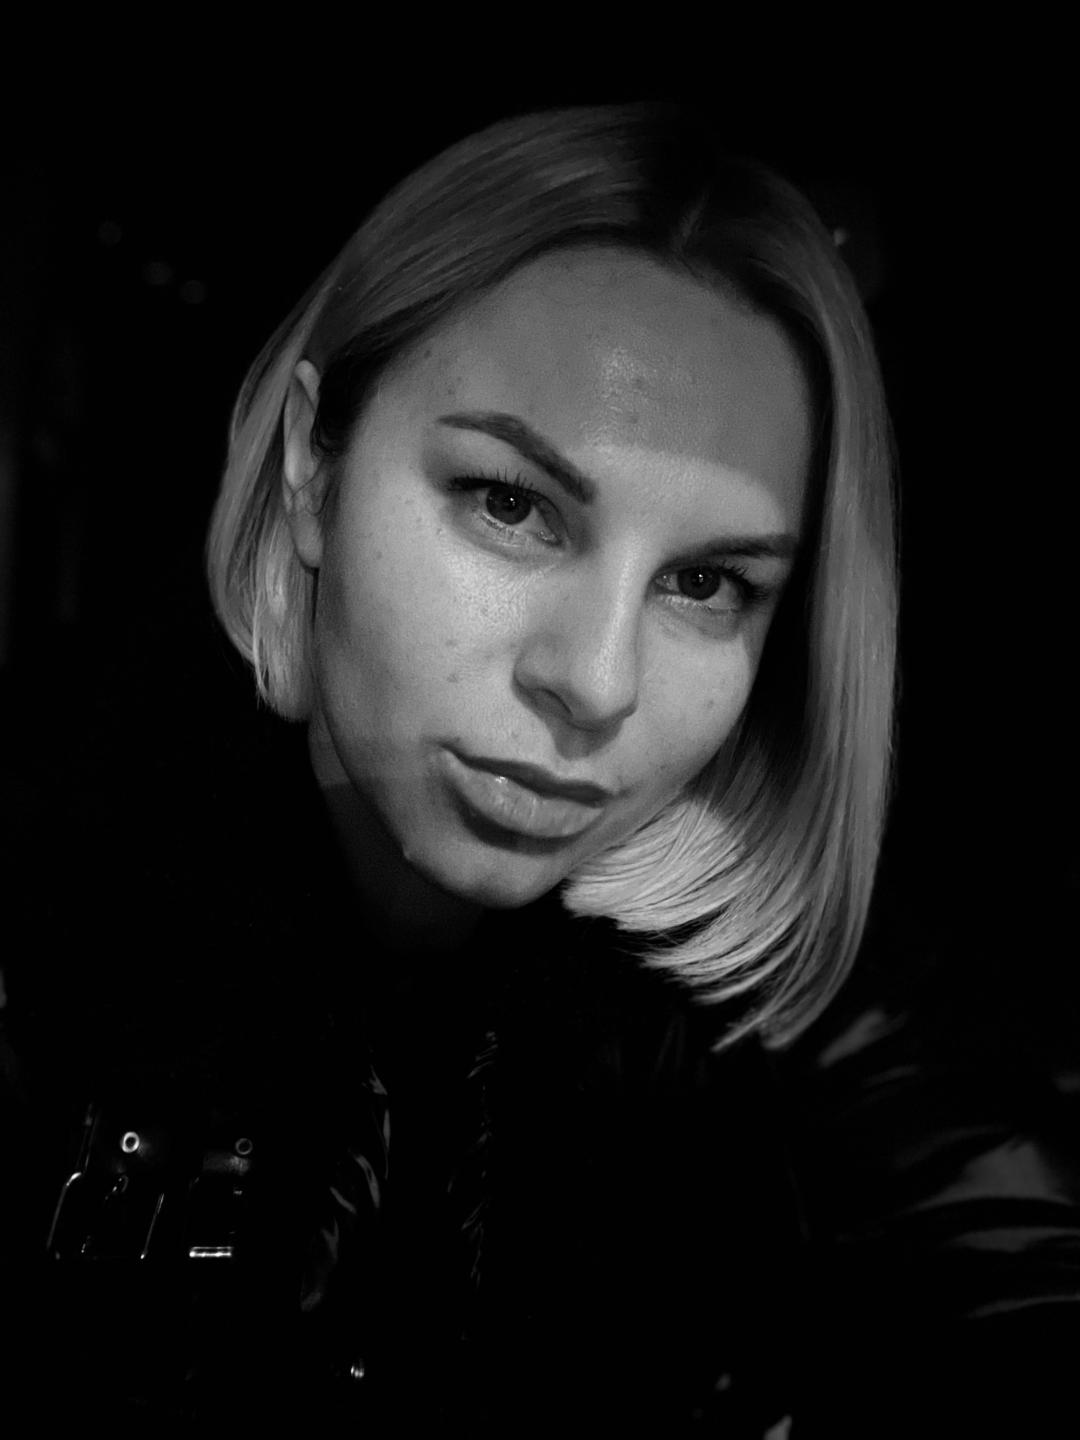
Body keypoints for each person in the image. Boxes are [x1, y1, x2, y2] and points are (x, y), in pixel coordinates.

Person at [1, 101, 1072, 1435]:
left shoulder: (786, 1003)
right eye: (511, 504)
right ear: (315, 470)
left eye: (706, 583)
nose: (599, 681)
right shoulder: (49, 917)